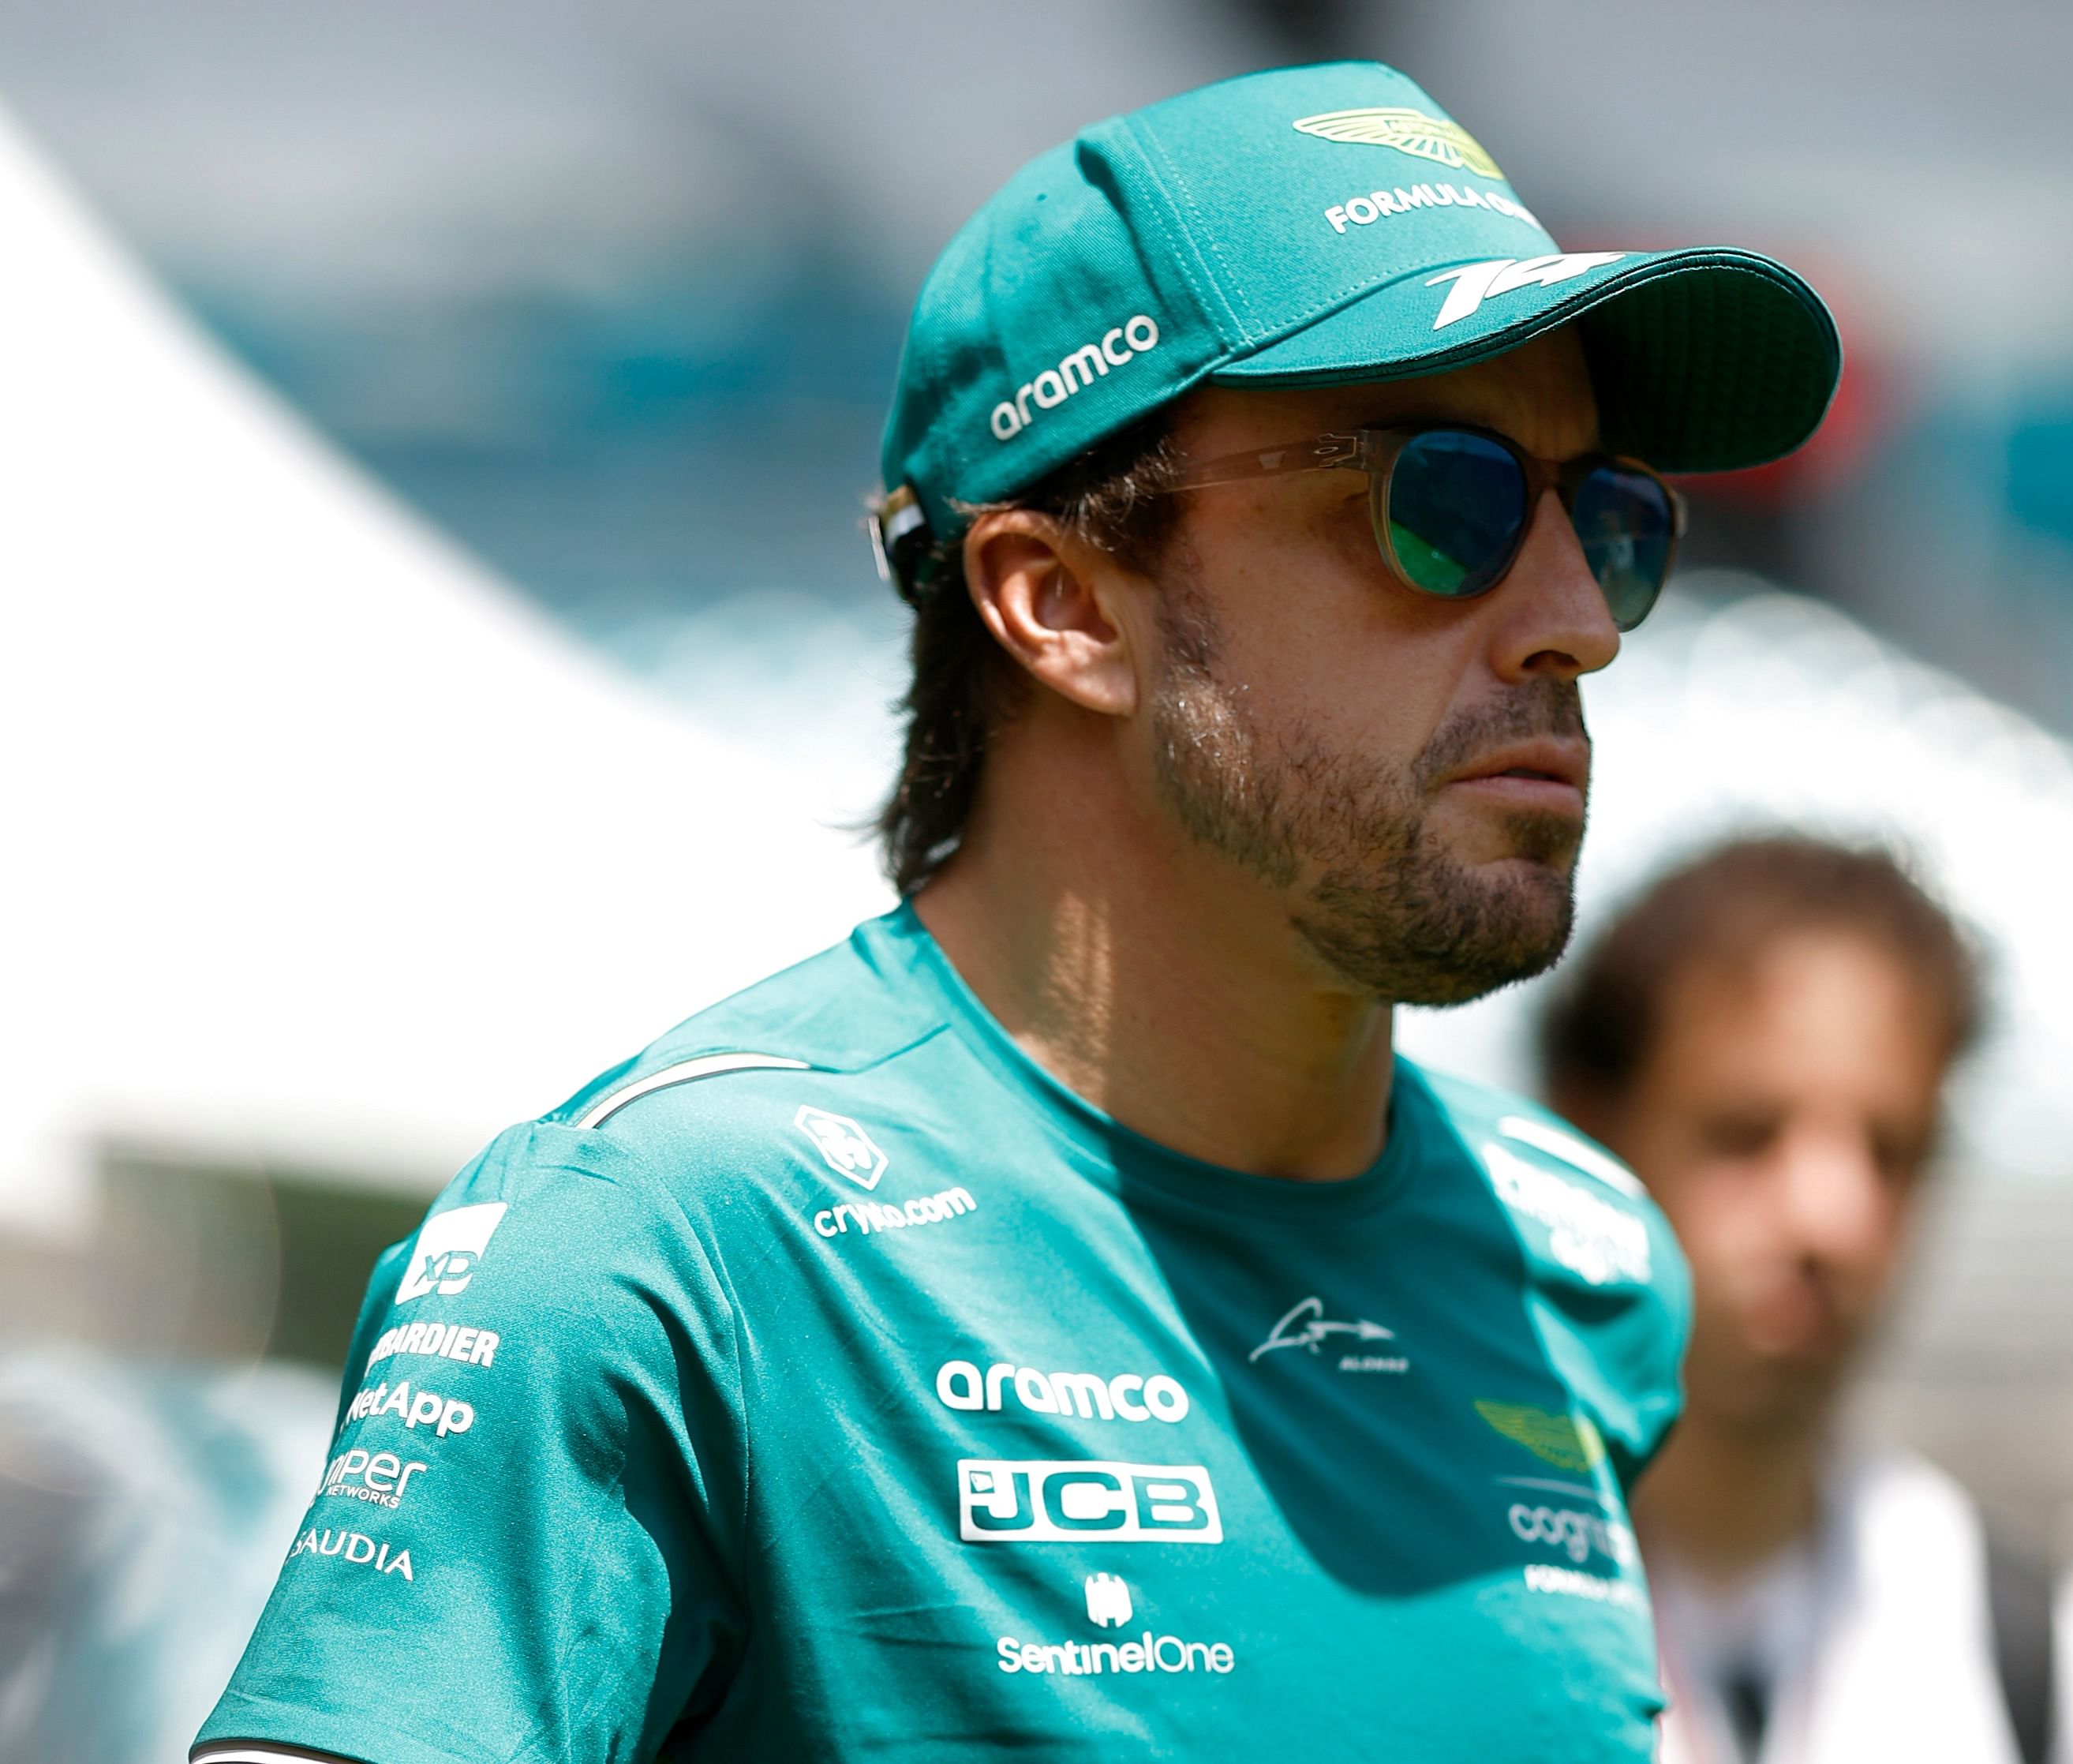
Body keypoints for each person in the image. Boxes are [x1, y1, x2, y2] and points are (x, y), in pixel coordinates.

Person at [193, 62, 1840, 1764]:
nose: (1577, 617)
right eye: (1444, 500)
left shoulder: (1582, 1266)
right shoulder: (666, 1238)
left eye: (1611, 516)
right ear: (1060, 604)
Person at [1540, 835, 2073, 1764]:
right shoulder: (1438, 1608)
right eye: (1745, 1134)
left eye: (1888, 1150)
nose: (1831, 1220)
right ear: (1585, 1139)